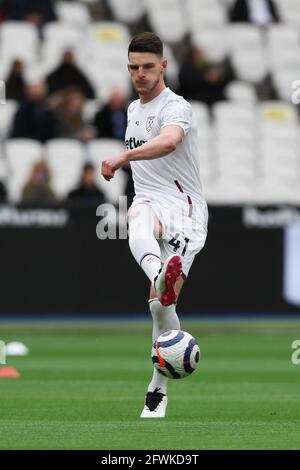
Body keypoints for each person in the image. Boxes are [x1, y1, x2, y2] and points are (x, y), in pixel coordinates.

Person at [101, 32, 208, 418]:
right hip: (150, 201)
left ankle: (157, 386)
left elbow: (167, 142)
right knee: (136, 216)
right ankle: (159, 273)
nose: (140, 74)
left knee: (159, 309)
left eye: (148, 66)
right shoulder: (132, 109)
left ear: (164, 65)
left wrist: (123, 156)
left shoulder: (177, 107)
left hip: (185, 211)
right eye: (133, 67)